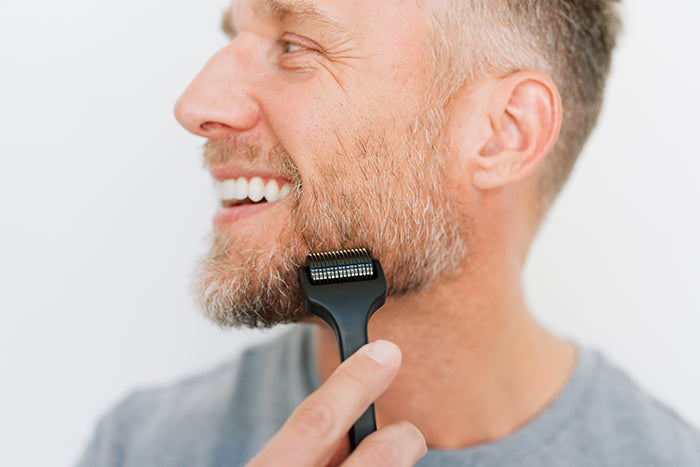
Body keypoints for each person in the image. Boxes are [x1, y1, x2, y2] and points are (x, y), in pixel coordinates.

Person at [78, 0, 700, 465]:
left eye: (295, 45)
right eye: (235, 37)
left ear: (503, 133)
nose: (196, 103)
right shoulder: (138, 446)